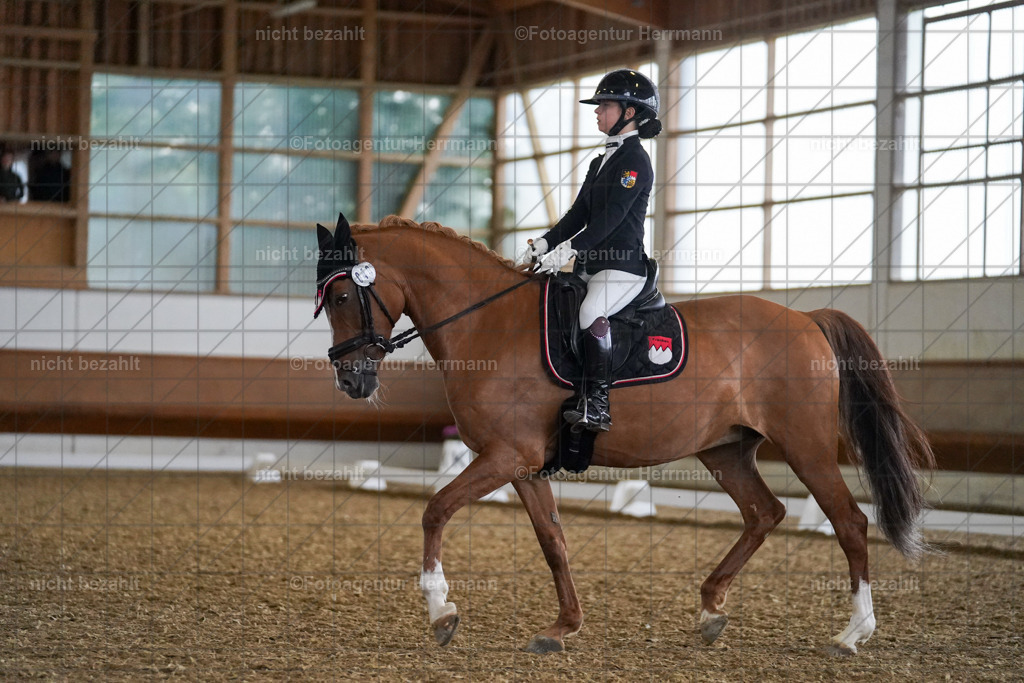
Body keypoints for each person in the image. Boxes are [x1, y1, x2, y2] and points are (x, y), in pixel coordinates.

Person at [520, 69, 662, 432]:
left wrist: (569, 250)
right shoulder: (601, 162)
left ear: (629, 112)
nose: (597, 112)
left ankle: (597, 404)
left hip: (622, 267)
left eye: (605, 105)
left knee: (590, 311)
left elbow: (612, 218)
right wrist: (545, 243)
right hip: (590, 266)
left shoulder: (635, 160)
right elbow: (578, 215)